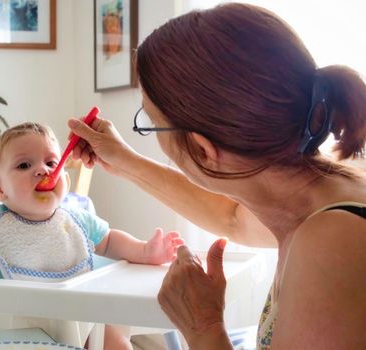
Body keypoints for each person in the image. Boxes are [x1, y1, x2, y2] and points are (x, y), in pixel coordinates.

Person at [67, 3, 366, 349]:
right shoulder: (325, 198)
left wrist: (202, 326)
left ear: (203, 149)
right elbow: (232, 217)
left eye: (151, 122)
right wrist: (123, 160)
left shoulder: (331, 244)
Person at [0, 122, 184, 350]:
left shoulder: (77, 219)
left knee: (114, 340)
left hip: (81, 320)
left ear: (64, 178)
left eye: (51, 162)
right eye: (24, 165)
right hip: (13, 327)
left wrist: (145, 251)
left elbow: (111, 241)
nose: (42, 170)